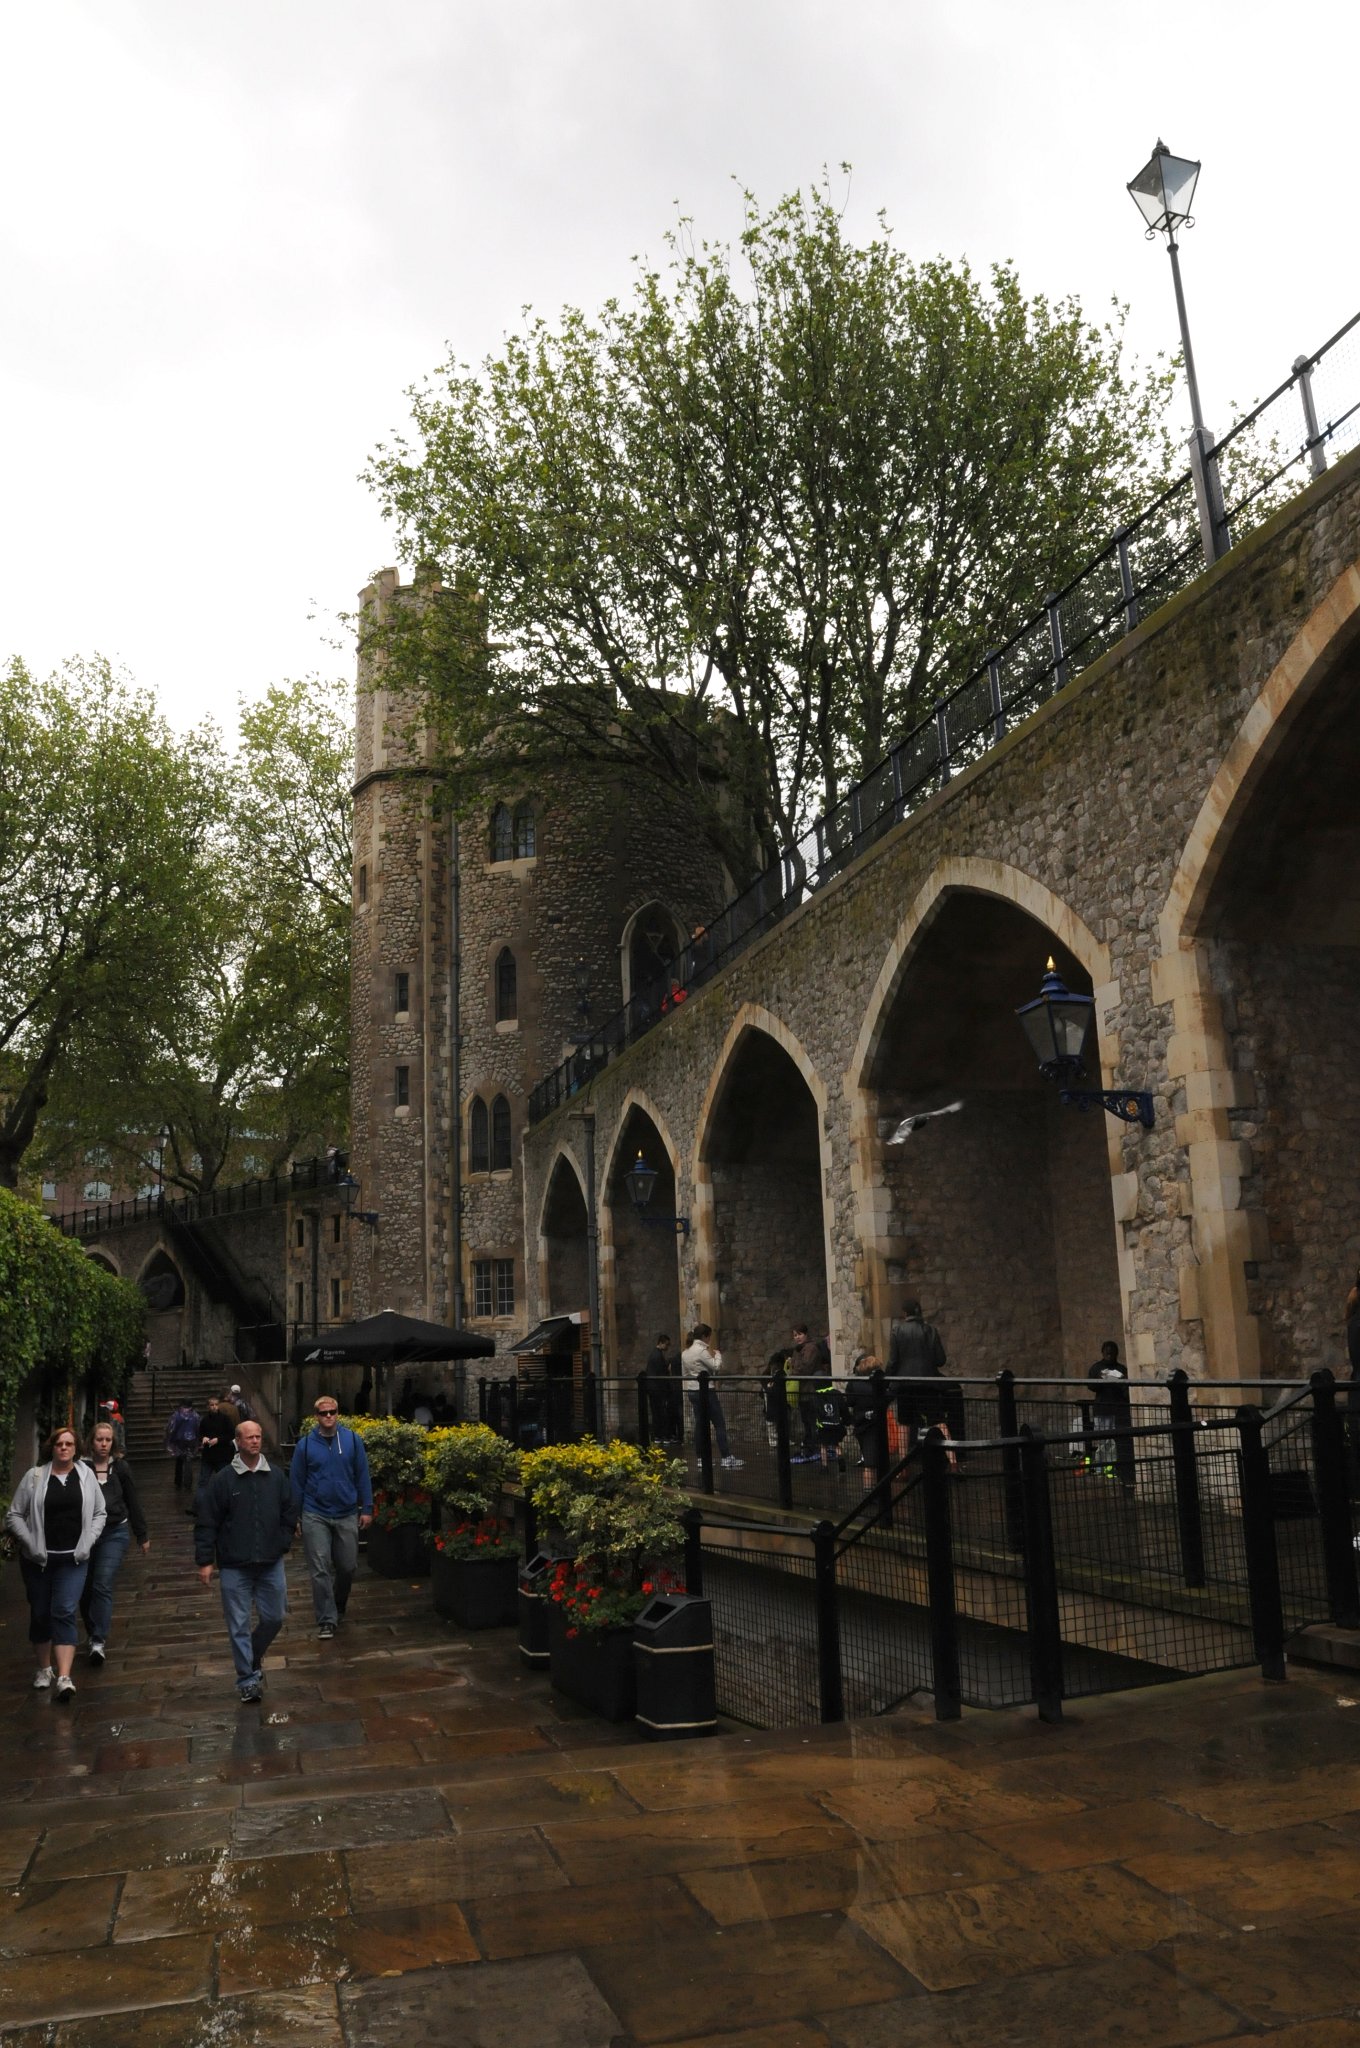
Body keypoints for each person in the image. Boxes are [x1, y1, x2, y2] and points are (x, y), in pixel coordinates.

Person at [195, 1418, 298, 1702]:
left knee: (275, 1617)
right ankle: (247, 1680)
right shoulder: (223, 1480)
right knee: (238, 1623)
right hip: (234, 1564)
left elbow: (289, 1511)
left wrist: (282, 1541)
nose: (255, 1441)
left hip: (269, 1561)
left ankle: (251, 1655)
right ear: (238, 1442)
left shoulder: (276, 1476)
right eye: (249, 1437)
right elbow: (207, 1521)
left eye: (258, 1436)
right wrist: (206, 1560)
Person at [5, 1427, 106, 1700]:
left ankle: (64, 1676)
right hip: (38, 1560)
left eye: (69, 1444)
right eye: (59, 1444)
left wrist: (88, 1542)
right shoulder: (35, 1477)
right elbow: (13, 1515)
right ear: (52, 1447)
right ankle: (44, 1668)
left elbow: (99, 1512)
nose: (64, 1448)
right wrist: (30, 1543)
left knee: (63, 1609)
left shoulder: (86, 1476)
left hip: (73, 1559)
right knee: (40, 1612)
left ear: (76, 1448)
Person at [289, 1396, 373, 1640]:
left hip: (346, 1511)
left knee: (348, 1566)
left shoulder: (352, 1440)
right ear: (316, 1416)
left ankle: (338, 1603)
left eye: (332, 1412)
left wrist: (366, 1507)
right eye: (323, 1413)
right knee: (320, 1568)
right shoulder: (305, 1446)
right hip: (315, 1512)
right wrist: (295, 1516)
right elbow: (296, 1482)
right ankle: (327, 1619)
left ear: (338, 1413)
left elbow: (362, 1474)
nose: (328, 1416)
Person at [80, 1420, 150, 1663]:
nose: (103, 1444)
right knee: (86, 1589)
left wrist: (142, 1534)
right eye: (99, 1439)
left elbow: (132, 1499)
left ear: (113, 1442)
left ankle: (99, 1639)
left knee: (102, 1582)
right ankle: (92, 1632)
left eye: (108, 1440)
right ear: (91, 1441)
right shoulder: (81, 1468)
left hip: (114, 1532)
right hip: (86, 1535)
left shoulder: (120, 1468)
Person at [889, 1299, 962, 1446]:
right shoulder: (930, 1330)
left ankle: (903, 1466)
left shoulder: (897, 1331)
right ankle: (953, 1457)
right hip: (929, 1383)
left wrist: (886, 1378)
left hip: (905, 1384)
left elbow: (893, 1361)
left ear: (904, 1313)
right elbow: (941, 1359)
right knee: (937, 1420)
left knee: (904, 1423)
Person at [680, 1326, 743, 1470]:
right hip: (706, 1391)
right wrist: (718, 1355)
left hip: (692, 1391)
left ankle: (701, 1459)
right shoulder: (701, 1351)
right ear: (704, 1336)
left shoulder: (685, 1353)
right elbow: (716, 1366)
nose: (709, 1340)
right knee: (719, 1423)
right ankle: (726, 1457)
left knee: (700, 1425)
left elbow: (685, 1374)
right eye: (709, 1337)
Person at [1086, 1340, 1135, 1489]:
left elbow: (1125, 1387)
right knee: (1104, 1441)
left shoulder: (1121, 1369)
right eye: (1107, 1352)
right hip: (1103, 1409)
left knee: (1117, 1442)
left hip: (1119, 1409)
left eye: (1112, 1352)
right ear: (1103, 1353)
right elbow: (1091, 1385)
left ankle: (1114, 1468)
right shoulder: (1096, 1368)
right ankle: (1103, 1468)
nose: (1109, 1355)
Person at [845, 1353, 884, 1488]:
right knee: (872, 1462)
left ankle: (870, 1488)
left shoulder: (854, 1384)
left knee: (869, 1460)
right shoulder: (878, 1385)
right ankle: (870, 1489)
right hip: (876, 1425)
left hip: (860, 1424)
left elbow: (849, 1402)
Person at [788, 1324, 822, 1456]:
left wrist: (793, 1366)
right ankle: (809, 1446)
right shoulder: (798, 1349)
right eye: (795, 1335)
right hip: (802, 1390)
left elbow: (806, 1367)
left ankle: (813, 1446)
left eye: (799, 1334)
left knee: (812, 1420)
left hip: (810, 1390)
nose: (797, 1338)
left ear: (806, 1334)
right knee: (806, 1421)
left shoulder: (811, 1348)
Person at [645, 1334, 682, 1444]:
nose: (668, 1347)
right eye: (667, 1344)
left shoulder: (655, 1355)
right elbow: (661, 1374)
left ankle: (658, 1436)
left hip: (653, 1389)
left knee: (657, 1413)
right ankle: (662, 1435)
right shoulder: (657, 1356)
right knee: (660, 1413)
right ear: (661, 1343)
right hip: (657, 1390)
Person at [811, 1369, 849, 1471]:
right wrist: (846, 1420)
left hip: (823, 1425)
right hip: (836, 1424)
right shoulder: (836, 1393)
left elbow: (814, 1411)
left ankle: (824, 1466)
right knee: (836, 1444)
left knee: (823, 1446)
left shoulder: (815, 1396)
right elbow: (843, 1407)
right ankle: (840, 1459)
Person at [164, 1399, 200, 1490]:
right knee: (188, 1462)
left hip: (179, 1441)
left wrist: (169, 1441)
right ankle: (188, 1483)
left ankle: (178, 1481)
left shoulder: (176, 1415)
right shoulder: (195, 1415)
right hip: (191, 1440)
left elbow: (170, 1429)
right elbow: (198, 1428)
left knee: (179, 1461)